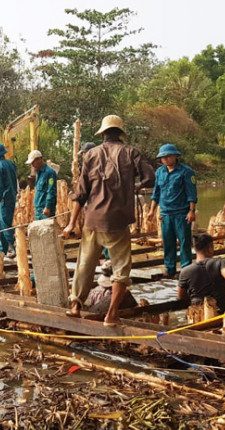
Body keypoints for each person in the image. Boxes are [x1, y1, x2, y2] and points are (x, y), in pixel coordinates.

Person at [63, 115, 155, 326]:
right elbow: (150, 177)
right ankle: (111, 315)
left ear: (103, 134)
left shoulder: (91, 155)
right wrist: (136, 186)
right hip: (118, 222)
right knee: (121, 270)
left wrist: (71, 224)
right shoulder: (131, 152)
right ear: (120, 133)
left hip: (93, 220)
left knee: (84, 264)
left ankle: (75, 305)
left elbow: (80, 194)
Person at [147, 144, 197, 278]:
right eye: (163, 157)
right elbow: (156, 193)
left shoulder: (186, 172)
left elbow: (191, 193)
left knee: (184, 241)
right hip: (165, 213)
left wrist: (191, 210)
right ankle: (170, 269)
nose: (166, 159)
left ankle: (186, 270)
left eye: (168, 156)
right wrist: (152, 210)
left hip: (181, 212)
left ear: (175, 156)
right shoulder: (160, 172)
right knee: (168, 242)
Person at [177, 233, 225, 314]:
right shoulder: (221, 263)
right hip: (221, 311)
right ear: (210, 248)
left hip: (198, 313)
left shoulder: (185, 271)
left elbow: (181, 296)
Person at [0, 143, 17, 255]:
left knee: (5, 226)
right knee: (2, 223)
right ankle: (3, 247)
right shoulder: (11, 164)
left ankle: (16, 248)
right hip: (12, 196)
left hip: (4, 199)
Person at [26, 150, 57, 220]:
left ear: (39, 159)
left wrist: (48, 207)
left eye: (33, 162)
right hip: (38, 208)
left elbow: (51, 191)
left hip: (45, 209)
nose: (32, 165)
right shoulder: (38, 173)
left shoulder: (50, 172)